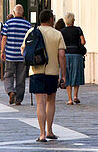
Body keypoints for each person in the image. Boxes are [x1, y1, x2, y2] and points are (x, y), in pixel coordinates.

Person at [23, 9, 66, 142]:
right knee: (50, 101)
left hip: (36, 71)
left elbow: (23, 49)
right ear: (51, 19)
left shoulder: (32, 32)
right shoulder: (57, 34)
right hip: (52, 72)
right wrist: (63, 75)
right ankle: (50, 131)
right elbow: (62, 56)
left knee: (40, 103)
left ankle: (41, 134)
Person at [1, 5, 33, 106]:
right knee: (21, 78)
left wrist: (2, 51)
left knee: (8, 75)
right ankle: (18, 99)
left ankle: (11, 91)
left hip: (10, 54)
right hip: (22, 55)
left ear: (14, 13)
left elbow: (4, 38)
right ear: (22, 13)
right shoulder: (27, 25)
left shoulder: (8, 23)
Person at [60, 13, 87, 106]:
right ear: (73, 21)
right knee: (76, 74)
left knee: (67, 75)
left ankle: (70, 99)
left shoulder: (62, 31)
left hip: (66, 54)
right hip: (77, 54)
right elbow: (83, 42)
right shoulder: (78, 29)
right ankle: (75, 96)